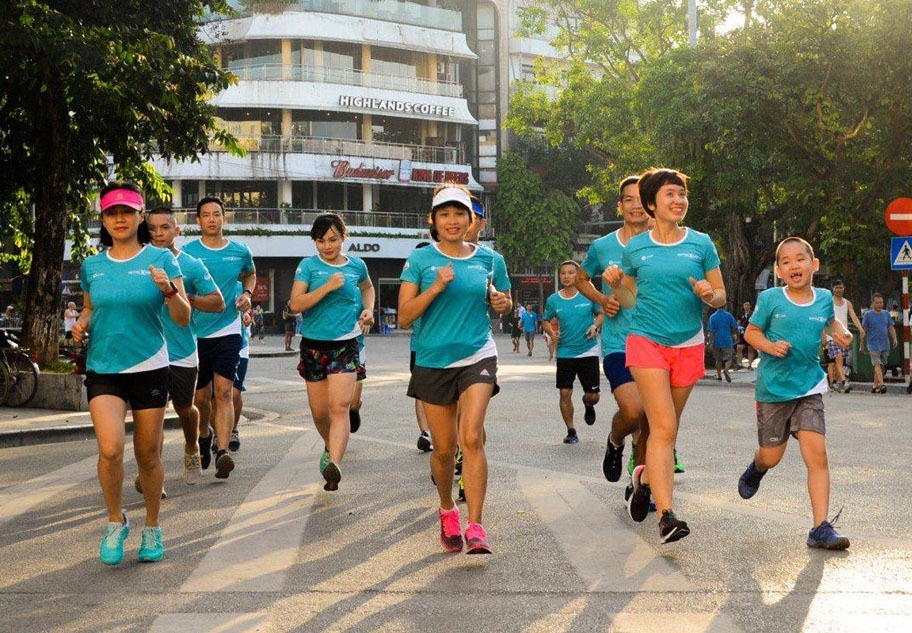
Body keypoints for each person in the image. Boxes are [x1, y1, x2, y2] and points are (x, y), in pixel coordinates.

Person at [603, 167, 725, 543]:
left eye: (682, 194)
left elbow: (721, 297)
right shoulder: (637, 248)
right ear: (652, 204)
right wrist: (617, 284)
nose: (678, 201)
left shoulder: (701, 243)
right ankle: (667, 515)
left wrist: (708, 294)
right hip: (645, 342)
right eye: (670, 194)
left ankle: (642, 477)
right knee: (664, 427)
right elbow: (630, 301)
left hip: (688, 345)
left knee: (664, 431)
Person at [72, 181, 190, 565]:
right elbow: (91, 308)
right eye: (111, 213)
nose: (119, 219)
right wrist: (81, 323)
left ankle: (152, 528)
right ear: (103, 220)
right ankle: (115, 520)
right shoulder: (92, 266)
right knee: (109, 449)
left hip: (149, 366)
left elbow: (183, 317)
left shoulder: (161, 260)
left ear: (140, 216)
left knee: (148, 455)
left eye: (126, 211)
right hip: (103, 366)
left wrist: (170, 292)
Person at [398, 183, 512, 555]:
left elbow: (504, 303)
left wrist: (501, 302)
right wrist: (434, 288)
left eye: (459, 214)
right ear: (433, 220)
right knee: (444, 450)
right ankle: (447, 509)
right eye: (444, 214)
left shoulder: (490, 260)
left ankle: (476, 526)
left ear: (471, 220)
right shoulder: (420, 260)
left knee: (472, 437)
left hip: (477, 353)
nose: (452, 221)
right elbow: (404, 317)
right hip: (432, 360)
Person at [738, 237, 852, 550]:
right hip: (774, 391)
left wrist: (842, 334)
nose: (794, 266)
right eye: (786, 262)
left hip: (809, 387)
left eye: (800, 259)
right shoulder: (772, 299)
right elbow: (751, 332)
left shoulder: (825, 297)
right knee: (772, 456)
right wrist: (770, 347)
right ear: (778, 270)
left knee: (817, 454)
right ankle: (758, 466)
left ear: (813, 265)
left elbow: (829, 324)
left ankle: (820, 527)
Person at [289, 212, 375, 491]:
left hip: (346, 344)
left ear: (343, 237)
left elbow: (368, 287)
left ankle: (334, 464)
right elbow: (296, 304)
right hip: (313, 346)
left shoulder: (356, 265)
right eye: (321, 240)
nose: (327, 246)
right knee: (319, 413)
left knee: (339, 408)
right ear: (314, 242)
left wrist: (368, 310)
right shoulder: (308, 267)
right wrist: (327, 286)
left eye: (333, 239)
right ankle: (330, 446)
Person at [576, 176, 652, 488]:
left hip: (657, 343)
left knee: (649, 420)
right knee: (633, 411)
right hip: (619, 344)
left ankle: (641, 484)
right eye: (629, 199)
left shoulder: (661, 245)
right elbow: (581, 278)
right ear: (620, 206)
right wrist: (603, 299)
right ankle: (616, 439)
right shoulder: (602, 246)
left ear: (651, 205)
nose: (636, 206)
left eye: (641, 200)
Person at [145, 207, 224, 489]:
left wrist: (184, 296)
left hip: (182, 351)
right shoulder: (137, 262)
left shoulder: (191, 265)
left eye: (164, 228)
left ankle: (192, 447)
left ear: (176, 231)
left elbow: (218, 302)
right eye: (152, 228)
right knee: (151, 414)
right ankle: (151, 471)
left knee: (185, 409)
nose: (157, 233)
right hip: (147, 351)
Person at [182, 196, 256, 480]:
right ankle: (203, 434)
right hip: (194, 332)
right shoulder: (187, 254)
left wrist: (247, 294)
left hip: (228, 331)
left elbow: (250, 274)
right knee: (201, 398)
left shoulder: (240, 251)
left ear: (225, 219)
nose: (212, 219)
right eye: (206, 215)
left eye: (217, 214)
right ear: (198, 221)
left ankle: (222, 451)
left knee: (224, 392)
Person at [542, 260, 602, 444]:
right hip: (565, 352)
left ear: (577, 275)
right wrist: (552, 333)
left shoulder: (588, 295)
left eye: (570, 273)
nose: (566, 276)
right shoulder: (554, 300)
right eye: (563, 273)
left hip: (588, 350)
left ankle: (588, 403)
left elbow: (602, 312)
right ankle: (571, 431)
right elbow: (545, 319)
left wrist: (595, 326)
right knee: (564, 393)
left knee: (594, 396)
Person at [826, 279, 863, 393]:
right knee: (838, 358)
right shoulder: (829, 302)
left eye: (841, 287)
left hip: (844, 336)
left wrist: (860, 329)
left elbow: (854, 317)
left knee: (840, 360)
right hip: (831, 335)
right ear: (833, 289)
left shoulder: (847, 303)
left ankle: (834, 383)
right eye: (836, 287)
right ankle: (843, 381)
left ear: (844, 288)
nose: (839, 289)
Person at [860, 292, 897, 394]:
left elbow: (891, 327)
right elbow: (864, 331)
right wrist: (861, 345)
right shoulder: (868, 315)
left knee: (881, 366)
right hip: (873, 344)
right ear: (872, 304)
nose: (879, 304)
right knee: (877, 363)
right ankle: (882, 384)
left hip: (885, 343)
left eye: (881, 302)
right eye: (877, 303)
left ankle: (875, 385)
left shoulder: (886, 314)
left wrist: (895, 338)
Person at [707, 305, 739, 382]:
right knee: (729, 358)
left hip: (716, 340)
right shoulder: (729, 315)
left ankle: (719, 375)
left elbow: (711, 331)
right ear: (725, 306)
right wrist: (737, 336)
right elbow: (735, 327)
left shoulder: (712, 316)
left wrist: (710, 342)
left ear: (716, 306)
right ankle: (726, 369)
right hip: (727, 339)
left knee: (718, 360)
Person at [735, 301, 756, 370]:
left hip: (750, 333)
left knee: (750, 349)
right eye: (745, 305)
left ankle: (750, 365)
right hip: (742, 333)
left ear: (750, 306)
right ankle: (739, 364)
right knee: (739, 348)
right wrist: (738, 328)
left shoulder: (753, 314)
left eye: (748, 305)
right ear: (743, 306)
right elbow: (738, 323)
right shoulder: (741, 314)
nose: (746, 306)